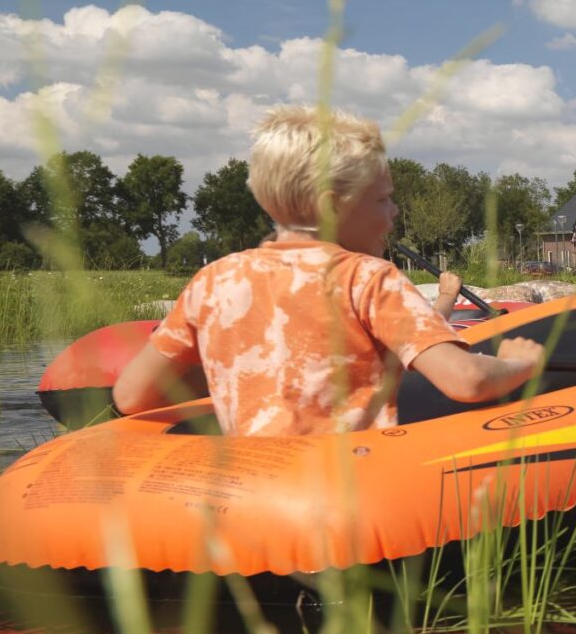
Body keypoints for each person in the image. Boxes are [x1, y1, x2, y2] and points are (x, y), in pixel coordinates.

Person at [112, 106, 547, 433]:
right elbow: (466, 381)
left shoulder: (213, 280)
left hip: (253, 496)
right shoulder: (368, 277)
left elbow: (131, 395)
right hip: (349, 499)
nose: (394, 212)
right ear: (332, 206)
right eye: (382, 199)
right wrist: (517, 365)